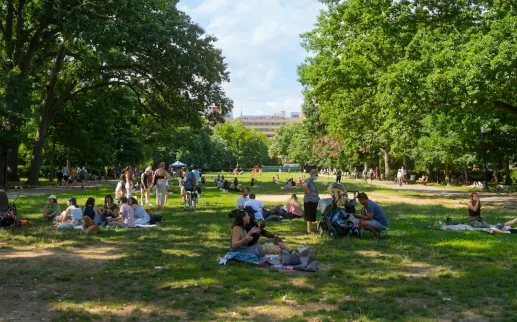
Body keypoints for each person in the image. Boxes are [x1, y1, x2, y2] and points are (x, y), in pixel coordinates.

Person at [303, 169, 320, 234]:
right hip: (309, 201)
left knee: (312, 215)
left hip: (313, 201)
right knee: (309, 216)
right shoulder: (308, 180)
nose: (317, 176)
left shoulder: (312, 181)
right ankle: (309, 231)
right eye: (316, 175)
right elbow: (304, 185)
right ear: (312, 174)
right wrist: (307, 192)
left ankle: (313, 229)